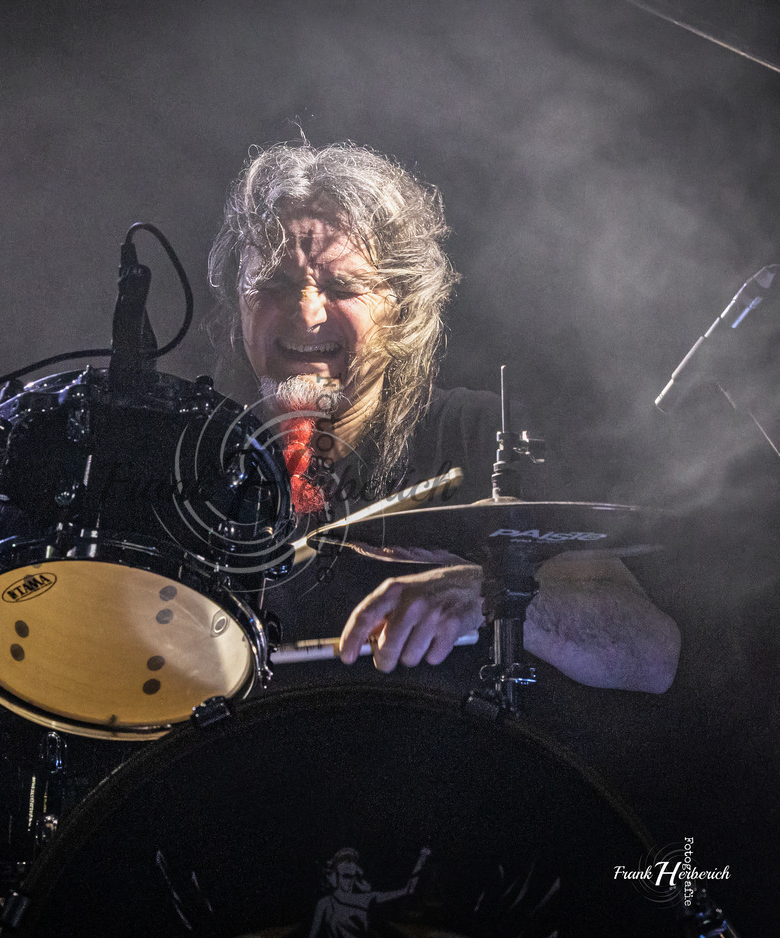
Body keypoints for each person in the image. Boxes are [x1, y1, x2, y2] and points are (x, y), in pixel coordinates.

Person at [207, 141, 680, 694]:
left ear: (400, 310)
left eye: (342, 288)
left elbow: (651, 655)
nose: (306, 313)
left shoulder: (478, 435)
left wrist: (486, 594)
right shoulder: (195, 463)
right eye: (275, 284)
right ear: (239, 302)